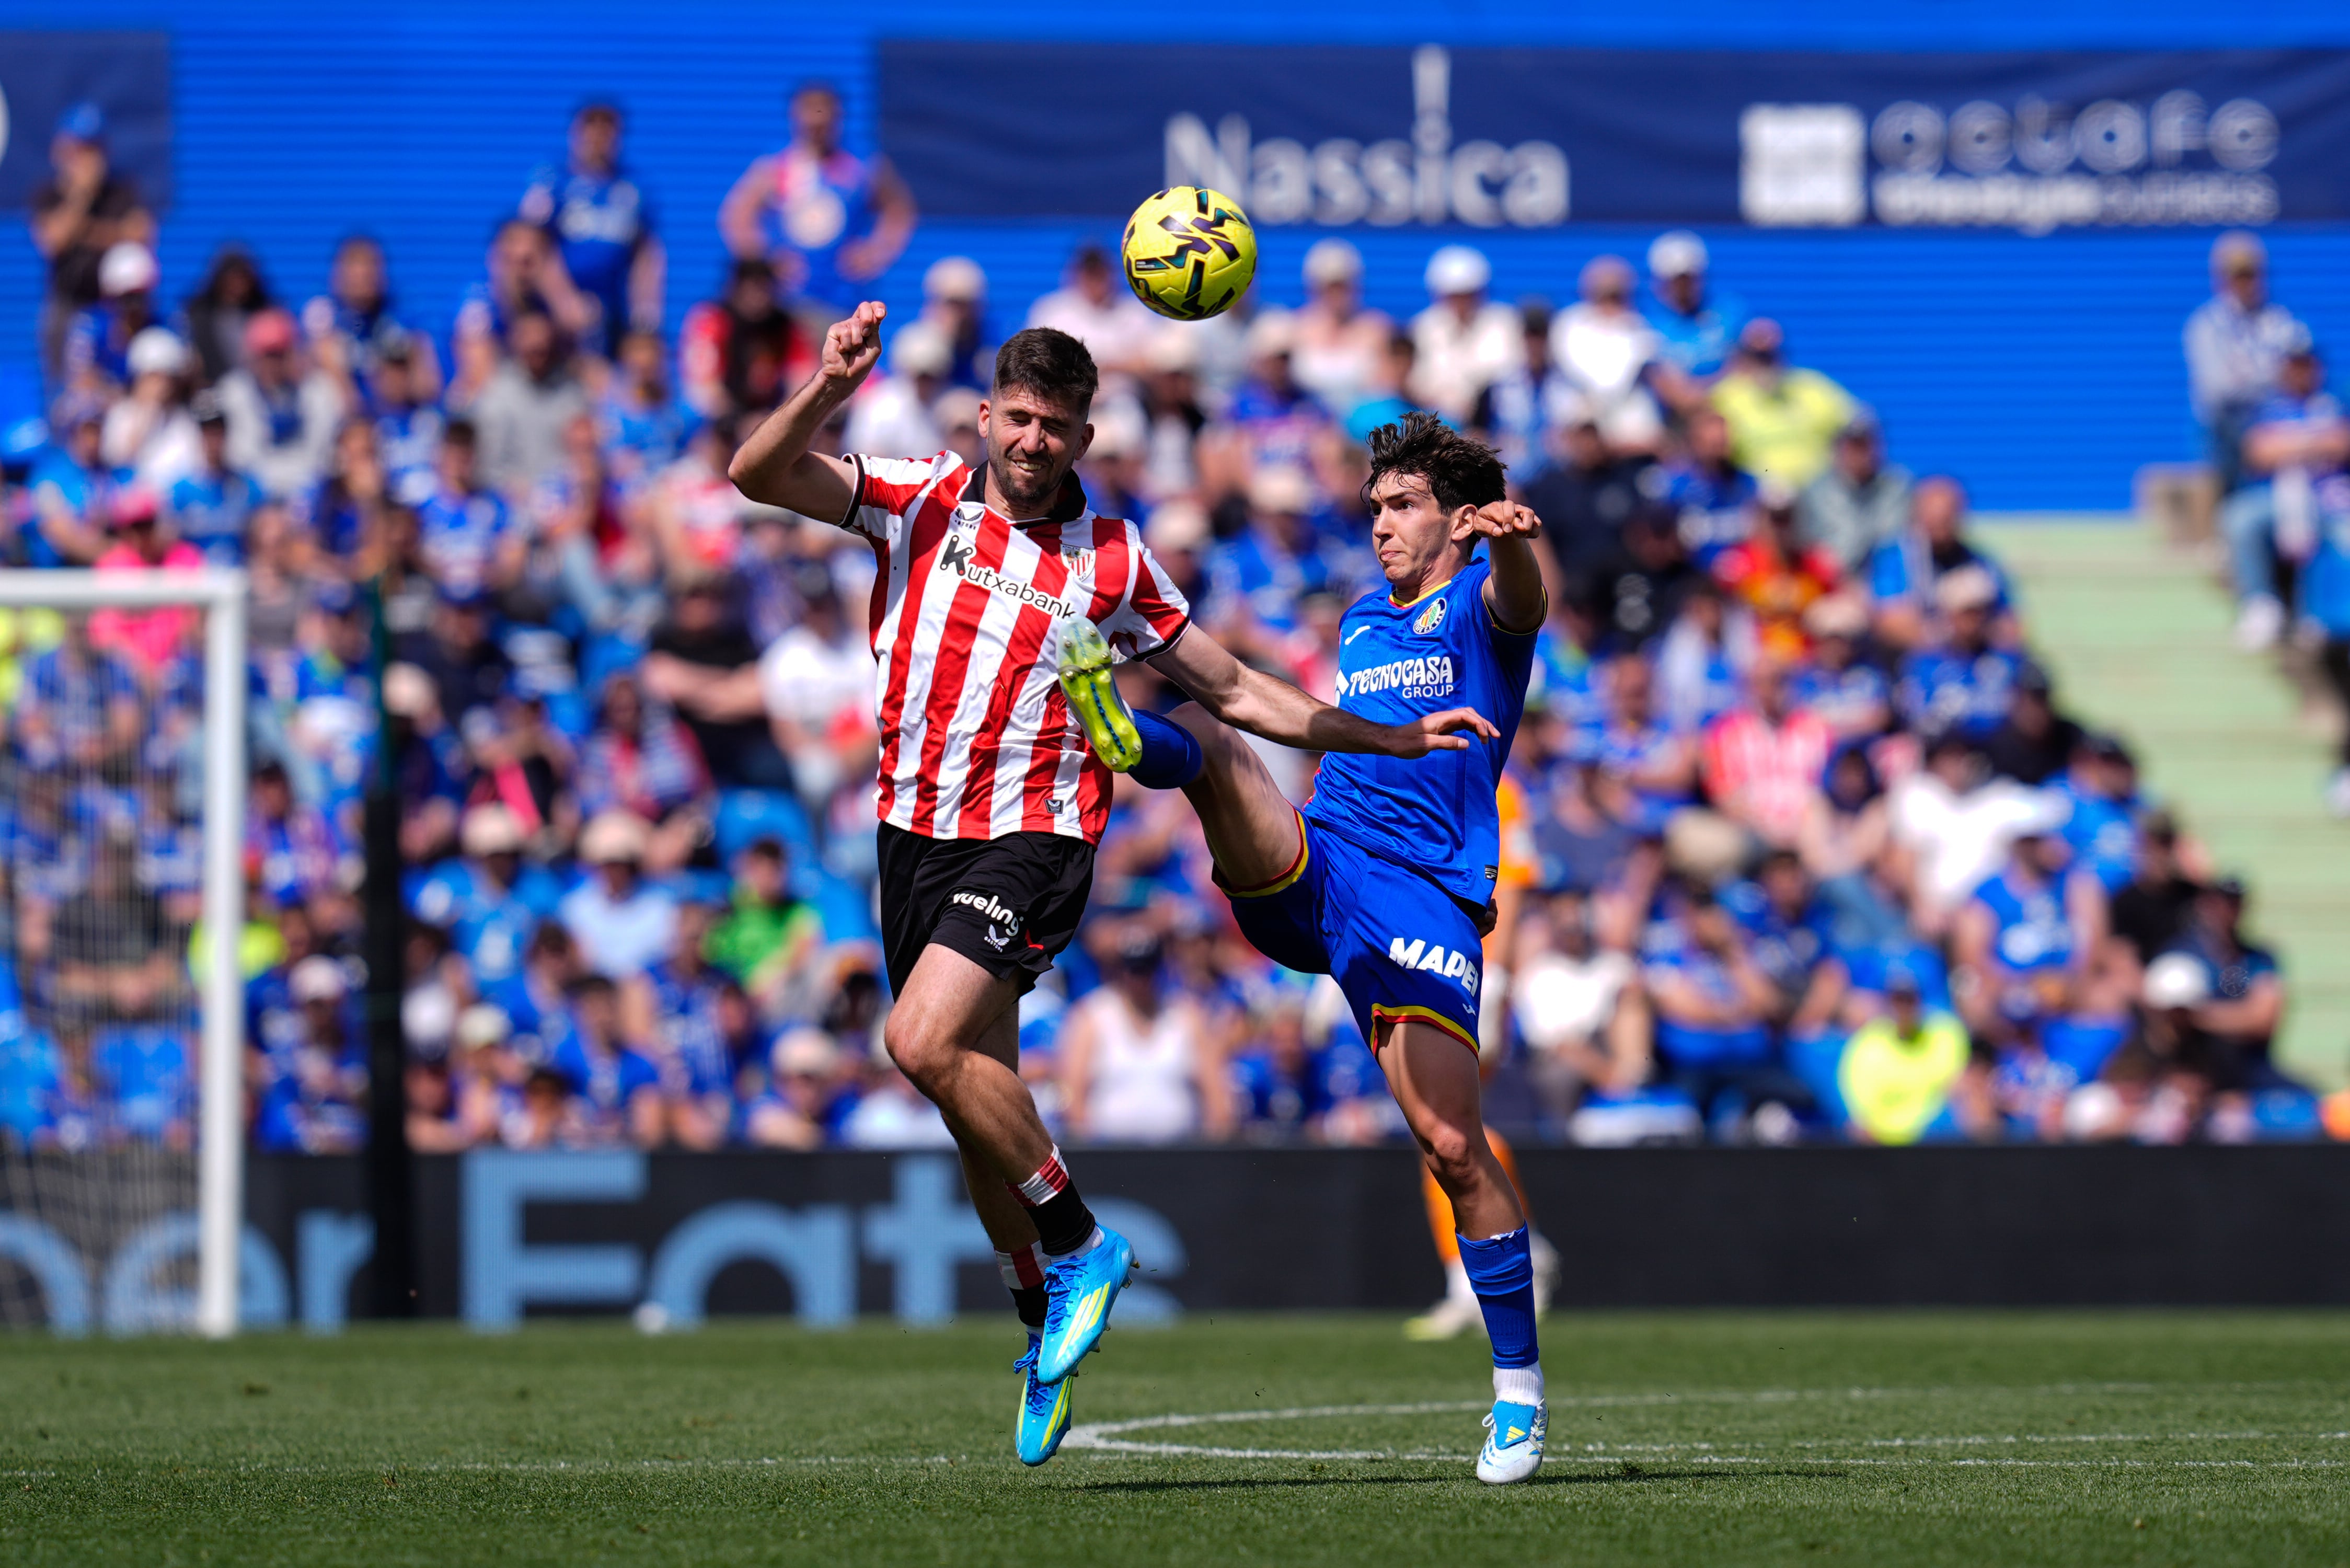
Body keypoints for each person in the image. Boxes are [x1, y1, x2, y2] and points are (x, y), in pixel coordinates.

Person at [727, 307, 1491, 1468]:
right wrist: (827, 385)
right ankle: (1042, 1330)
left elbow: (1234, 688)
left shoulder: (1115, 560)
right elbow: (756, 472)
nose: (1035, 441)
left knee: (917, 1042)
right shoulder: (919, 499)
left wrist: (1380, 740)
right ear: (987, 417)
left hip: (1034, 831)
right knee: (973, 1103)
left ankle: (1083, 1246)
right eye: (1019, 419)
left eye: (1058, 427)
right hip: (909, 831)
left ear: (1087, 437)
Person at [1058, 410, 1551, 1483]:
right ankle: (1129, 735)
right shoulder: (1368, 620)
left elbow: (1524, 601)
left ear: (1458, 520)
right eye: (1374, 506)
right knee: (1225, 757)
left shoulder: (1479, 602)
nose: (1378, 524)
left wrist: (1511, 541)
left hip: (1421, 900)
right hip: (1320, 865)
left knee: (1452, 1149)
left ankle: (1518, 1392)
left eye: (1402, 505)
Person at [720, 82, 916, 325]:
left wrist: (875, 253)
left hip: (844, 298)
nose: (816, 127)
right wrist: (767, 260)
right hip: (788, 301)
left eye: (823, 118)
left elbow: (898, 210)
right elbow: (738, 214)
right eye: (809, 117)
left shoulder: (859, 166)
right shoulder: (778, 167)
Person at [2226, 331, 2345, 651]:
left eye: (2306, 364)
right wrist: (2316, 442)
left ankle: (2325, 618)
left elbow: (2343, 443)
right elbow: (2259, 451)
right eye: (2294, 365)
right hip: (2277, 500)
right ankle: (2261, 606)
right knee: (2240, 519)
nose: (2300, 372)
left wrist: (2292, 444)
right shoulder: (2268, 406)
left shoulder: (2335, 401)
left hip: (2331, 500)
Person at [517, 100, 663, 356]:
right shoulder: (553, 183)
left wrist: (645, 315)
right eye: (591, 129)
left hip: (611, 311)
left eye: (607, 131)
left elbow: (646, 255)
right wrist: (564, 300)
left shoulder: (632, 189)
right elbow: (534, 248)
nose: (598, 139)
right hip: (555, 311)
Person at [1054, 931, 1226, 1144]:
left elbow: (1217, 1093)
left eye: (1149, 970)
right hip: (1110, 1154)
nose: (1142, 980)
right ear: (1121, 971)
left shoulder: (1187, 1016)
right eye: (1135, 971)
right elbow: (1072, 1091)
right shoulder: (1092, 1016)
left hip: (1179, 1153)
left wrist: (1212, 1149)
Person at [30, 103, 155, 387]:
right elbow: (53, 242)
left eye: (93, 149)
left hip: (114, 306)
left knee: (118, 382)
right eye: (80, 150)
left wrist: (86, 231)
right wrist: (82, 194)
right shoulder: (49, 194)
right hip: (67, 306)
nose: (87, 159)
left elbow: (142, 235)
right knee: (66, 386)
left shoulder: (122, 191)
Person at [2183, 231, 2304, 497]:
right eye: (2238, 275)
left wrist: (2252, 379)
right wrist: (2267, 378)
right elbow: (2218, 389)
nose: (2246, 283)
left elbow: (2296, 377)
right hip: (2225, 428)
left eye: (2251, 274)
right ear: (2222, 279)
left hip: (2272, 422)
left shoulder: (2278, 320)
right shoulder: (2206, 324)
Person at [1709, 318, 1856, 493]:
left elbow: (1860, 423)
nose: (1765, 364)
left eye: (1770, 356)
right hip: (1755, 500)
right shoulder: (1727, 396)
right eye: (1758, 357)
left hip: (1815, 497)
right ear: (1744, 357)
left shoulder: (1813, 388)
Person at [1837, 966, 1976, 1145]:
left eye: (1909, 1000)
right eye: (1897, 1001)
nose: (1903, 1008)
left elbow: (1960, 1086)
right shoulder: (1865, 1046)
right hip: (1885, 1141)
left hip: (1937, 1135)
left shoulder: (1946, 1033)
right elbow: (1861, 1115)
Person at [1410, 246, 1521, 428]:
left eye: (1468, 294)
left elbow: (1510, 374)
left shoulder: (1504, 324)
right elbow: (1418, 382)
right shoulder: (1423, 328)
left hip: (1496, 422)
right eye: (1454, 295)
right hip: (1438, 423)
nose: (1461, 302)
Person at [1639, 229, 1745, 408]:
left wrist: (1706, 395)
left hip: (1723, 412)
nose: (1683, 287)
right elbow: (1656, 377)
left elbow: (1741, 366)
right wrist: (1686, 399)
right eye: (1676, 280)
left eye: (1688, 279)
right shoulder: (1644, 322)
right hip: (1668, 418)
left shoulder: (1729, 313)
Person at [1798, 411, 1911, 574]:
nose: (1859, 455)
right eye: (1853, 446)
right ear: (1838, 449)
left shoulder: (1897, 488)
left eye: (1865, 446)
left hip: (1884, 581)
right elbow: (1807, 548)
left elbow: (1892, 542)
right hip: (1831, 584)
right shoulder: (1815, 493)